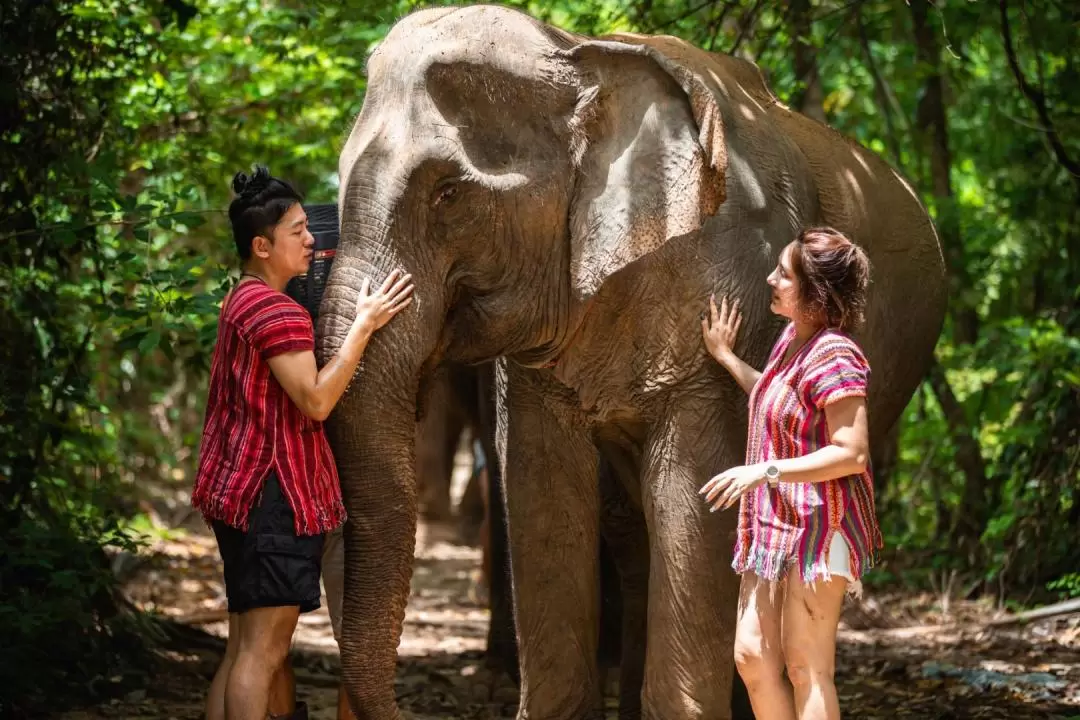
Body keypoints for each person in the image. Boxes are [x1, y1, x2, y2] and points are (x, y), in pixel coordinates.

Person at [192, 165, 414, 720]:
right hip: (275, 496)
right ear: (263, 246)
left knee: (242, 646)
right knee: (263, 656)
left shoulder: (239, 298)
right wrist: (362, 325)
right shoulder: (279, 311)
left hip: (237, 492)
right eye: (297, 232)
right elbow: (315, 400)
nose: (312, 239)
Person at [699, 226, 883, 720]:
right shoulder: (792, 340)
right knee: (754, 658)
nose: (770, 279)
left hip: (821, 528)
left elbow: (852, 452)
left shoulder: (836, 354)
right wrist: (726, 358)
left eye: (783, 274)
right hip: (774, 528)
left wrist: (764, 472)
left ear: (815, 293)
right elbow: (781, 401)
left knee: (807, 668)